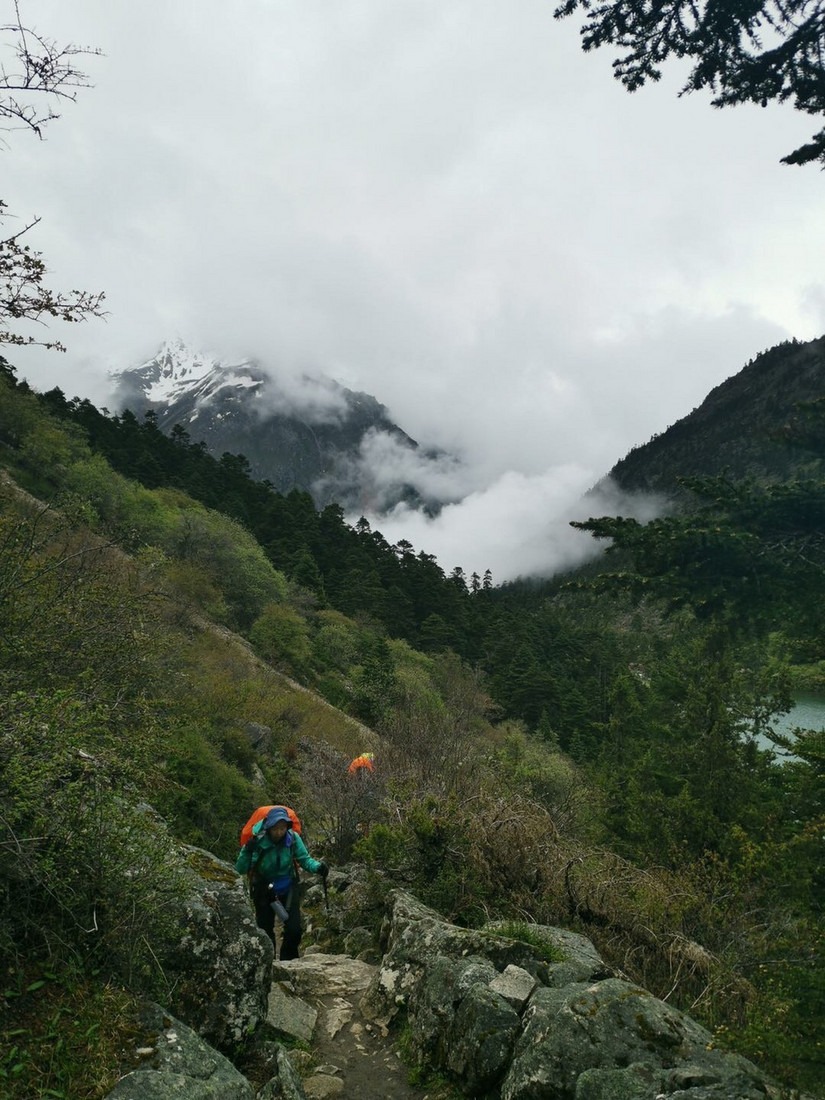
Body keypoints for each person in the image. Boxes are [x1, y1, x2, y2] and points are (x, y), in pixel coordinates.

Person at [235, 805, 328, 959]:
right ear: (268, 826)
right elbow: (240, 868)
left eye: (283, 828)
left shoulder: (292, 838)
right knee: (265, 929)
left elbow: (304, 860)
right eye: (275, 828)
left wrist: (318, 868)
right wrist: (247, 851)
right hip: (263, 890)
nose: (279, 832)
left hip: (288, 887)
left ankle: (288, 962)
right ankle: (269, 963)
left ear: (287, 826)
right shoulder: (256, 842)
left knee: (294, 930)